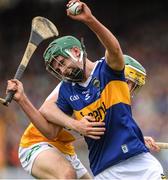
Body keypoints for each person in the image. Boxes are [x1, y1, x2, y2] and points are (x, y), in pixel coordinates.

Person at [6, 0, 165, 179]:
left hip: (82, 150)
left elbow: (115, 124)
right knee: (67, 175)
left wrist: (136, 139)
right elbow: (48, 120)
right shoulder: (68, 88)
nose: (63, 70)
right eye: (58, 68)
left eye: (62, 64)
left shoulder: (108, 81)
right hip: (39, 143)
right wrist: (22, 99)